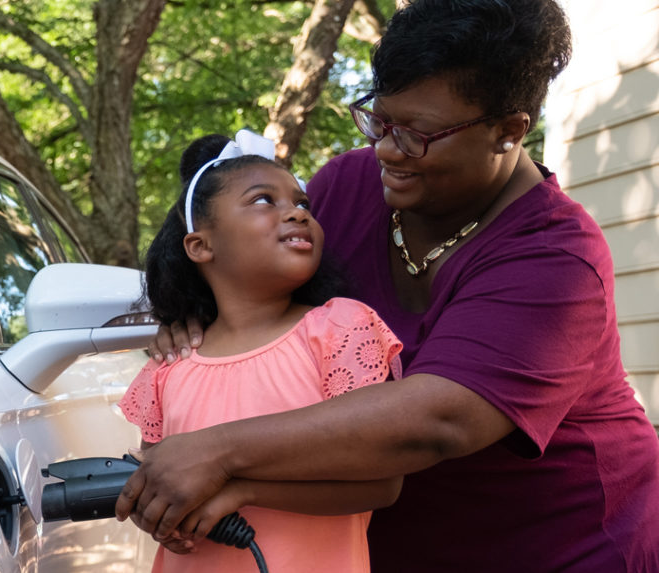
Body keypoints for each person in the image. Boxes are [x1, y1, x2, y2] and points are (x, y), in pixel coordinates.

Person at [115, 1, 659, 571]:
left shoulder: (557, 257)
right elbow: (253, 288)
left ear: (508, 130)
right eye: (380, 119)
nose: (386, 149)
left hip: (560, 547)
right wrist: (197, 317)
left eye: (419, 134)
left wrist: (218, 450)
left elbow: (440, 419)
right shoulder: (346, 188)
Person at [118, 129, 404, 572]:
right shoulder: (168, 366)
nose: (296, 212)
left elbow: (382, 482)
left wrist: (241, 491)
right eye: (263, 200)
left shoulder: (341, 328)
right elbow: (157, 483)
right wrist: (153, 513)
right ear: (201, 245)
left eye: (302, 203)